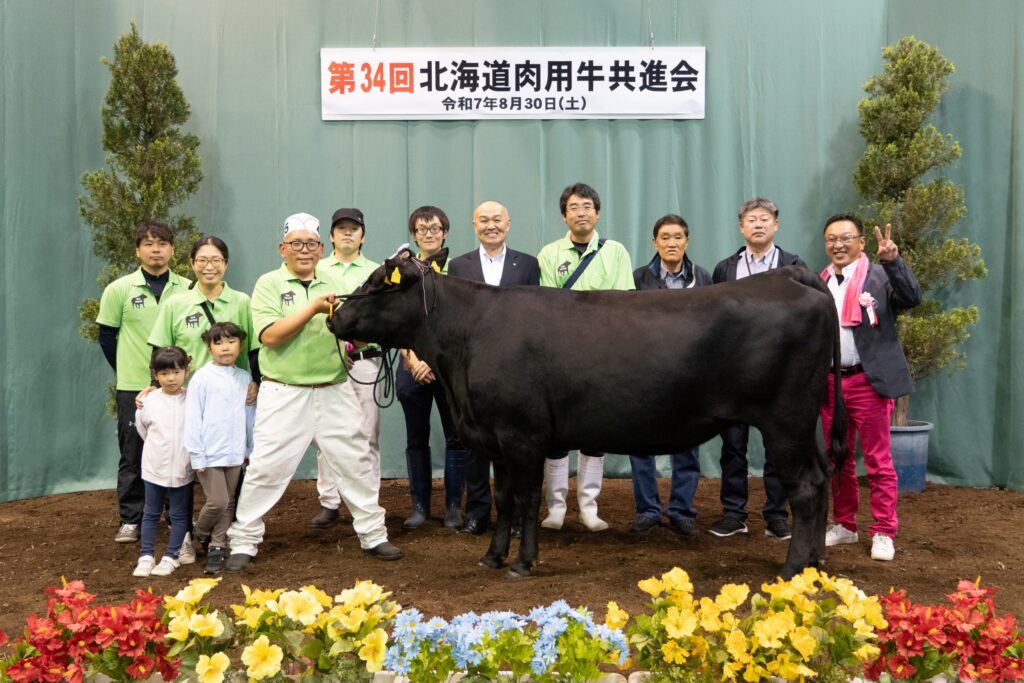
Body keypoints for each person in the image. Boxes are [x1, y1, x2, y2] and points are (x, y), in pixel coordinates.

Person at [224, 212, 401, 571]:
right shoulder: (269, 283)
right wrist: (313, 309)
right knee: (265, 468)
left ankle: (373, 534)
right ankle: (244, 540)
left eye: (311, 244)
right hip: (284, 392)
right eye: (296, 244)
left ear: (322, 248)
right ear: (282, 248)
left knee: (357, 462)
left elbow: (355, 331)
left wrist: (375, 330)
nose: (304, 251)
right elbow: (270, 336)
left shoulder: (335, 279)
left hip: (334, 387)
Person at [146, 234, 258, 563]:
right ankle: (182, 535)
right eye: (202, 261)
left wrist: (257, 383)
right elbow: (160, 352)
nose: (209, 267)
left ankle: (217, 541)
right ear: (192, 264)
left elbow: (253, 349)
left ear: (226, 264)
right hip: (184, 399)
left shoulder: (241, 301)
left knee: (226, 484)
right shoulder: (175, 303)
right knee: (181, 472)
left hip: (231, 398)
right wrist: (151, 386)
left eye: (217, 260)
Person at [819, 214, 921, 562]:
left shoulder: (878, 276)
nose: (839, 244)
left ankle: (883, 531)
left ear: (861, 242)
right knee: (838, 458)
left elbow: (911, 297)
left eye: (846, 237)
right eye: (832, 238)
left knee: (878, 461)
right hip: (831, 383)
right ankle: (845, 525)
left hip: (868, 381)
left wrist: (893, 261)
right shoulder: (820, 284)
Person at [537, 182, 634, 531]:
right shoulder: (548, 254)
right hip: (559, 356)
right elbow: (549, 305)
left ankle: (589, 506)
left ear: (598, 213)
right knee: (557, 434)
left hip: (603, 356)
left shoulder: (617, 251)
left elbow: (622, 302)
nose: (581, 212)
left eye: (588, 206)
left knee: (595, 433)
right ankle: (556, 507)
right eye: (574, 207)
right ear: (564, 215)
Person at [709, 197, 805, 540]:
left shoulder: (794, 266)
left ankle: (776, 515)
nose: (758, 224)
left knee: (776, 446)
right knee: (732, 446)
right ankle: (734, 513)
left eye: (765, 219)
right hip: (734, 372)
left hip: (778, 372)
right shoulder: (725, 269)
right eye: (751, 219)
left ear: (776, 225)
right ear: (741, 228)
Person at [448, 200, 541, 534]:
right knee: (477, 443)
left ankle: (517, 516)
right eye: (484, 220)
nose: (491, 225)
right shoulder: (458, 266)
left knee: (516, 445)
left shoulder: (528, 265)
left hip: (518, 371)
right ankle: (477, 512)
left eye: (497, 219)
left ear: (509, 223)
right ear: (474, 226)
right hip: (475, 370)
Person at [96, 220, 191, 544]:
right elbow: (107, 337)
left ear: (172, 250)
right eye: (149, 244)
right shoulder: (119, 289)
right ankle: (131, 518)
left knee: (176, 447)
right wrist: (129, 373)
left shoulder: (187, 288)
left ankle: (171, 512)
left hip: (177, 386)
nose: (156, 249)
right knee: (133, 451)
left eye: (162, 243)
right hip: (134, 386)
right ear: (137, 250)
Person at [628, 214, 712, 539]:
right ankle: (647, 511)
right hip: (644, 373)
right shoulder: (638, 278)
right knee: (640, 444)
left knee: (688, 444)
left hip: (690, 374)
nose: (671, 243)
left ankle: (681, 511)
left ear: (687, 242)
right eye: (665, 237)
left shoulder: (703, 278)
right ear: (654, 243)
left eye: (678, 237)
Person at [309, 208, 384, 530]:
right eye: (341, 229)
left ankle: (368, 499)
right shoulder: (317, 268)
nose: (348, 233)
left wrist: (358, 340)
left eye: (354, 229)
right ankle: (330, 500)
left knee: (367, 433)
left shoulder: (376, 271)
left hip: (366, 361)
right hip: (328, 361)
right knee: (327, 432)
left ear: (363, 236)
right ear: (331, 236)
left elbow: (383, 316)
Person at [396, 206, 468, 531]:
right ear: (413, 234)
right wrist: (412, 360)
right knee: (416, 436)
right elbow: (396, 321)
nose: (429, 233)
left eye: (435, 228)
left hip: (448, 365)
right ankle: (420, 507)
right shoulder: (402, 270)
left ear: (445, 232)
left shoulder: (459, 269)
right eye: (422, 229)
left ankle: (454, 508)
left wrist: (438, 360)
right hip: (412, 365)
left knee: (456, 436)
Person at [186, 322, 255, 574]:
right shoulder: (202, 379)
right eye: (218, 343)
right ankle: (200, 532)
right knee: (217, 501)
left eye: (231, 342)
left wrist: (249, 448)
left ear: (240, 345)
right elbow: (193, 418)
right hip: (208, 452)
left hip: (235, 452)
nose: (225, 348)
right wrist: (197, 453)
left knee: (228, 503)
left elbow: (249, 416)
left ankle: (217, 545)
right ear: (209, 347)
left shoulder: (244, 378)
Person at [133, 346, 193, 577]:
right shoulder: (148, 401)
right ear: (155, 374)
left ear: (186, 371)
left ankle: (171, 556)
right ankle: (146, 556)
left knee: (179, 515)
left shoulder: (192, 398)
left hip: (182, 468)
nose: (171, 378)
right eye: (165, 373)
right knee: (151, 512)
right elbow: (143, 430)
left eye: (177, 372)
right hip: (153, 468)